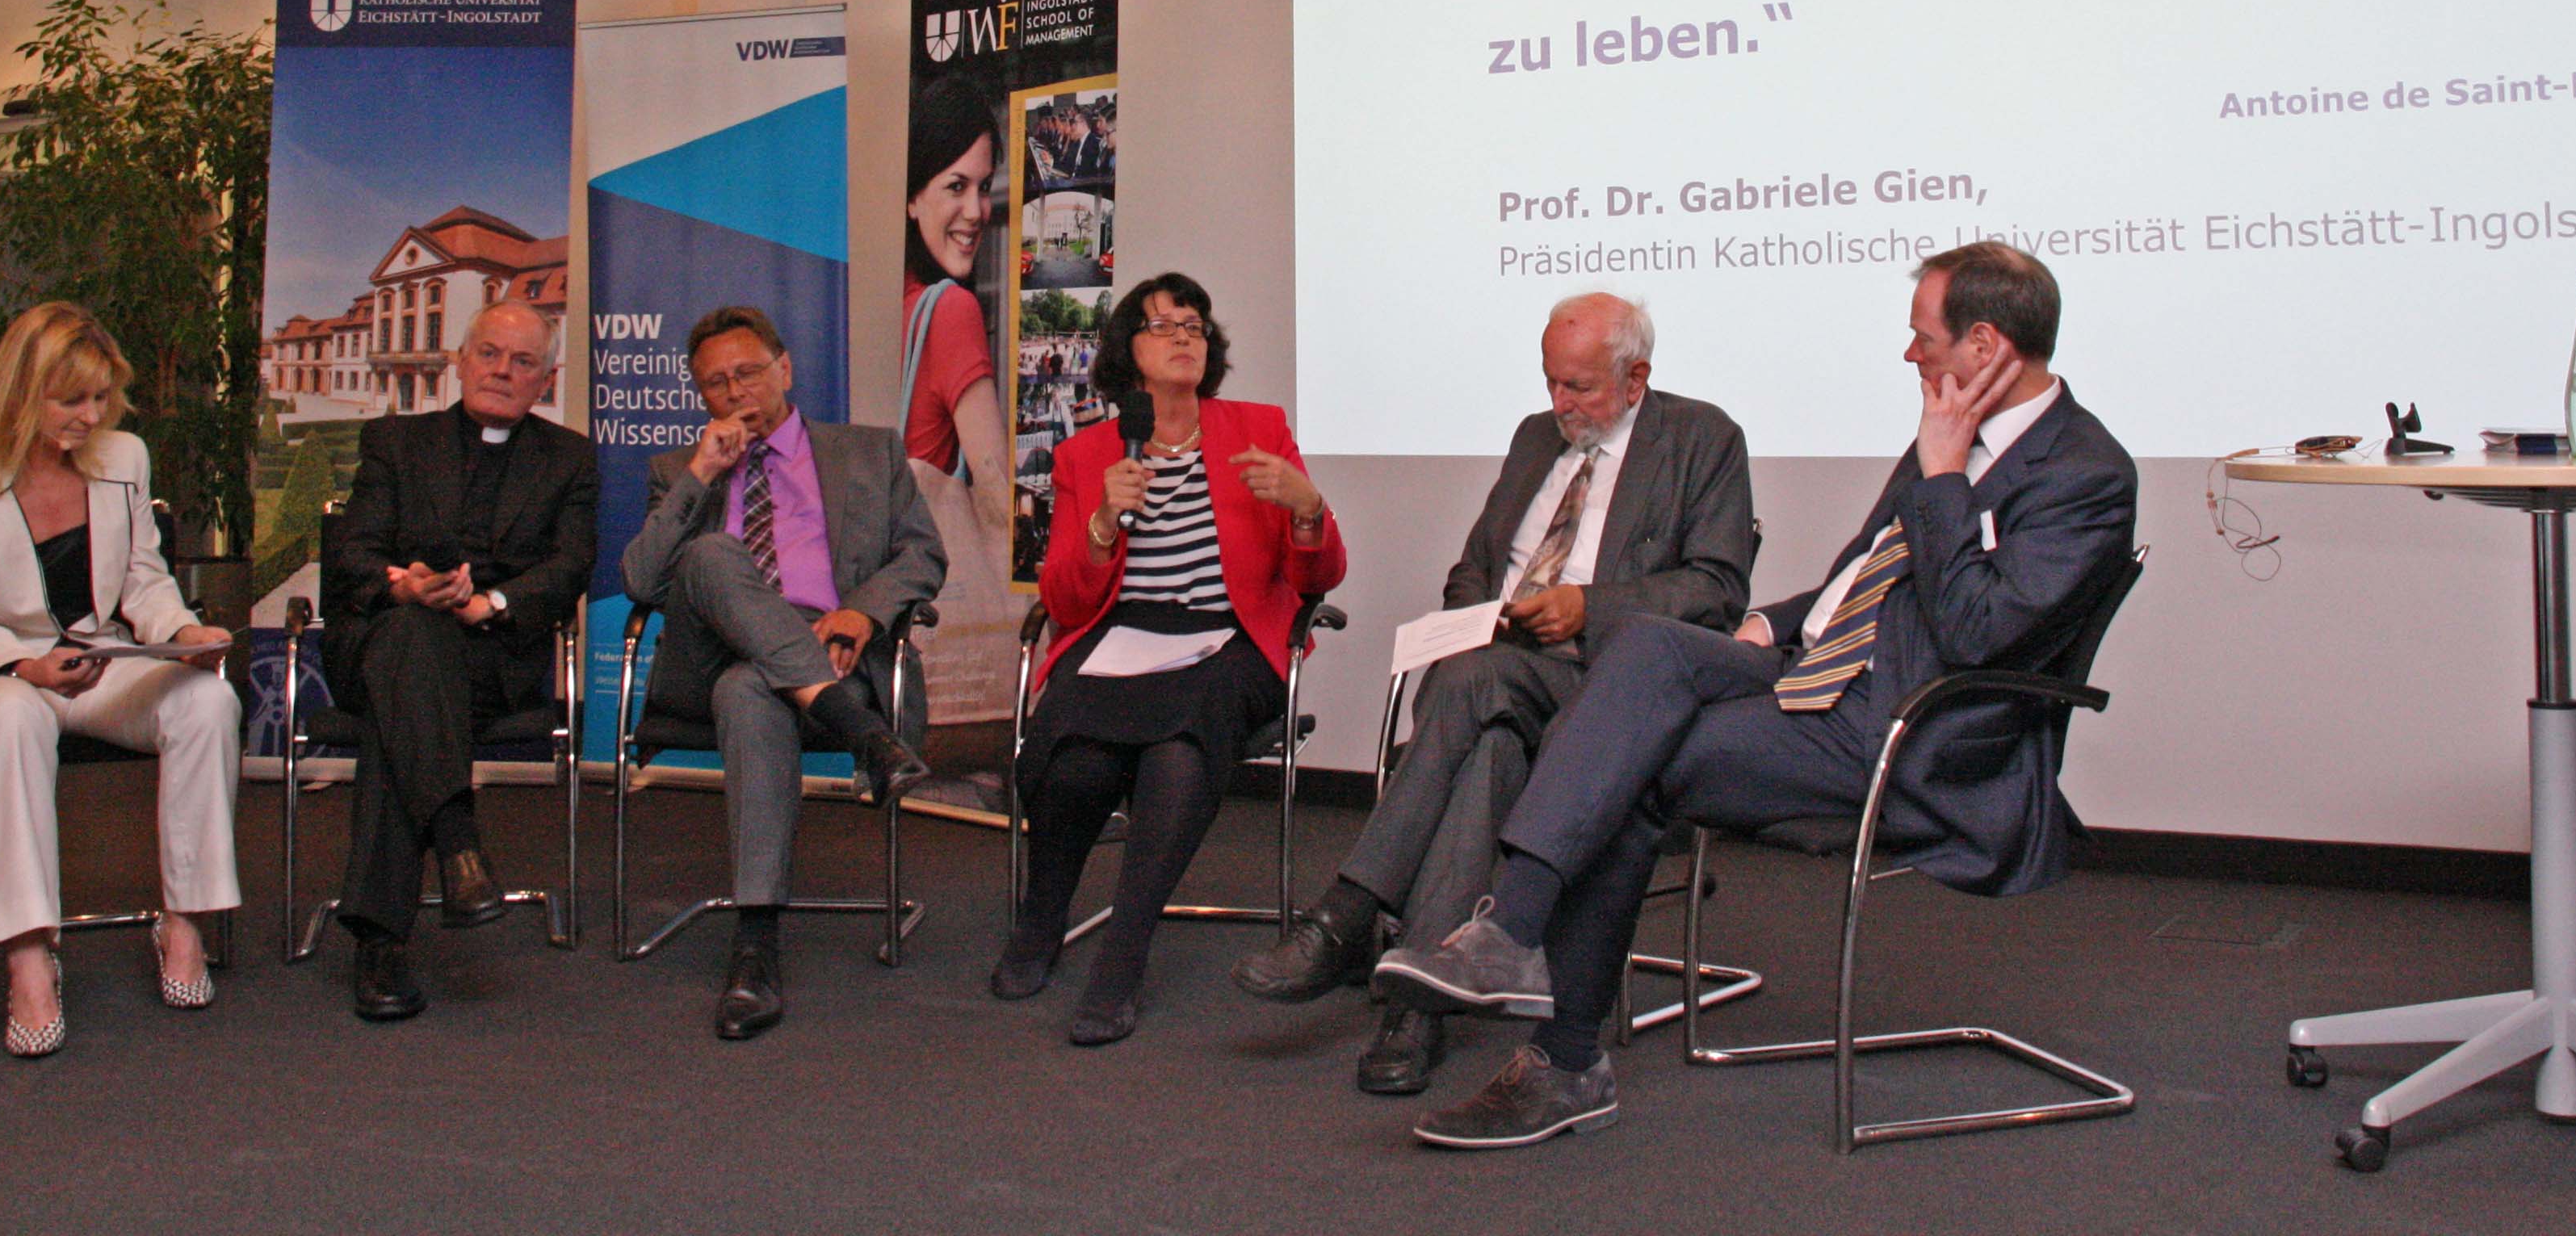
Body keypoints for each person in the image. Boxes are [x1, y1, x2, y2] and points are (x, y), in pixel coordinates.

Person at [1375, 243, 2136, 1150]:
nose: (1909, 354)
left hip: (1906, 731)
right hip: (1819, 675)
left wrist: (1940, 478)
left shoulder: (2085, 473)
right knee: (1649, 645)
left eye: (1923, 338)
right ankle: (1514, 942)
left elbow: (1978, 631)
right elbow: (1864, 582)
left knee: (1635, 760)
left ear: (1982, 343)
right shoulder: (1951, 431)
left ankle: (1559, 1047)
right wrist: (1769, 626)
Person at [1232, 292, 1756, 1097]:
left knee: (1475, 689)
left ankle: (1348, 912)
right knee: (1489, 748)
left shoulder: (1702, 439)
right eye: (1551, 382)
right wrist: (1473, 621)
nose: (1560, 403)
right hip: (1497, 678)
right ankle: (1417, 1007)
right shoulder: (1534, 438)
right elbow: (1474, 568)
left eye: (1580, 387)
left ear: (1636, 378)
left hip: (1607, 689)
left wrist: (1590, 608)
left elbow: (1717, 590)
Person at [992, 272, 1345, 1045]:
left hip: (1230, 641)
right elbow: (1066, 600)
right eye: (1164, 326)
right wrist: (1101, 524)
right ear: (1129, 352)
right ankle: (1041, 921)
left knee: (1180, 754)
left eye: (1195, 325)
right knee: (1074, 760)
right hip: (1121, 636)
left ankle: (1123, 954)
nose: (1185, 336)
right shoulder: (1087, 454)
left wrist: (1307, 507)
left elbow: (1320, 577)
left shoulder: (1258, 428)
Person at [0, 301, 240, 1056]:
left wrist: (182, 632)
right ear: (21, 394)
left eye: (101, 397)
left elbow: (143, 580)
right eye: (71, 400)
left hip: (98, 663)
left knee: (206, 699)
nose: (92, 416)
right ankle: (29, 958)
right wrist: (24, 665)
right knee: (13, 713)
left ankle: (185, 923)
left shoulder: (124, 459)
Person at [621, 304, 944, 1040]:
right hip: (714, 648)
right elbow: (641, 581)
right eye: (715, 384)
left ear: (786, 369)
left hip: (834, 648)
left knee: (750, 690)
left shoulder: (869, 452)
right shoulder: (678, 471)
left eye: (748, 373)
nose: (735, 392)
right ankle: (862, 733)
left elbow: (923, 555)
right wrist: (704, 473)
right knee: (710, 555)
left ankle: (755, 945)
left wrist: (864, 611)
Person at [321, 300, 596, 1021]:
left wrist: (491, 604)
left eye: (523, 361)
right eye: (490, 354)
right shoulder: (397, 441)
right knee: (412, 636)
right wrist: (406, 586)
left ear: (547, 380)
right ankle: (457, 839)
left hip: (489, 660)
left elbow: (570, 567)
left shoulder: (570, 459)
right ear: (462, 361)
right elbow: (352, 553)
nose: (502, 371)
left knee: (402, 713)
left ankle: (380, 939)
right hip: (380, 640)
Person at [901, 77, 1013, 547]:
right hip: (932, 573)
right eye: (956, 186)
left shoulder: (874, 306)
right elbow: (997, 494)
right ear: (911, 197)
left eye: (984, 187)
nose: (977, 211)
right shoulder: (950, 309)